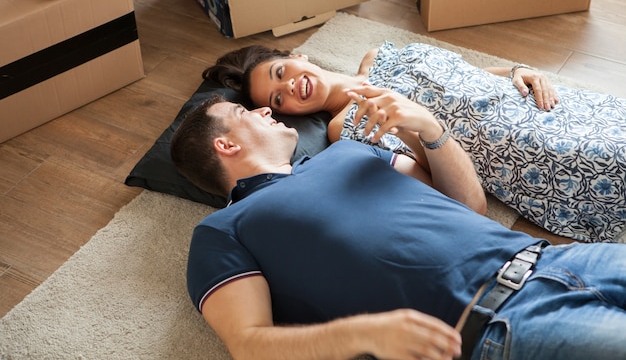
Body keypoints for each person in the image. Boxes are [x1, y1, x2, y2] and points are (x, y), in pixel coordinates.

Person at [170, 88, 626, 360]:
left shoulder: (348, 151)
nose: (266, 110)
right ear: (225, 145)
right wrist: (366, 334)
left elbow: (468, 207)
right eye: (245, 112)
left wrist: (430, 130)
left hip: (560, 256)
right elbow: (249, 344)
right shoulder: (223, 230)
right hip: (498, 323)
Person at [203, 43, 626, 242]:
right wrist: (413, 127)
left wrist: (518, 69)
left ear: (298, 55)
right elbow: (446, 193)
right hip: (536, 150)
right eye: (278, 100)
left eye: (281, 72)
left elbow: (467, 71)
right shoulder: (344, 129)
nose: (291, 87)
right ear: (285, 114)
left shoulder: (380, 53)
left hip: (552, 104)